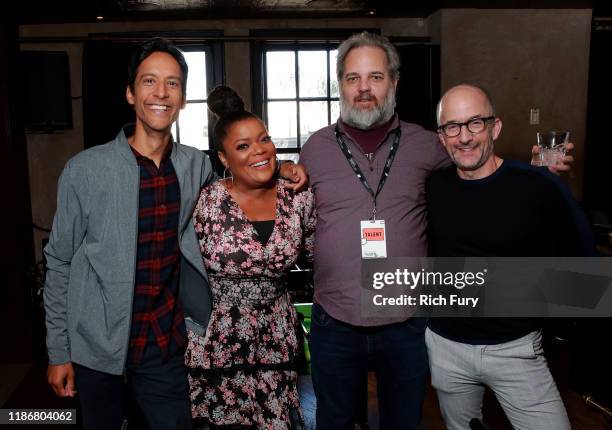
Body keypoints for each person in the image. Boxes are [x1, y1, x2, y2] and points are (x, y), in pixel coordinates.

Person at [43, 38, 307, 430]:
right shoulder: (84, 170)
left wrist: (280, 166)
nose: (161, 93)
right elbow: (60, 261)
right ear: (130, 93)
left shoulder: (195, 166)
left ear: (183, 98)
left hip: (165, 344)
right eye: (149, 82)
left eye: (173, 83)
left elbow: (239, 174)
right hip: (96, 345)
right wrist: (58, 350)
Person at [425, 83, 595, 430]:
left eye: (475, 123)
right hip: (446, 348)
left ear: (495, 127)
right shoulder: (431, 187)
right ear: (441, 136)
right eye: (452, 127)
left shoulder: (536, 185)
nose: (464, 137)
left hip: (516, 349)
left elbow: (581, 269)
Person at [186, 86, 316, 429]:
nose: (259, 151)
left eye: (264, 139)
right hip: (217, 341)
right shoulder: (205, 201)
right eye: (243, 146)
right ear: (224, 158)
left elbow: (321, 253)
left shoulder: (298, 198)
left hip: (277, 338)